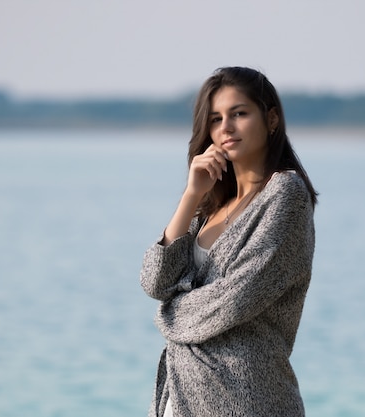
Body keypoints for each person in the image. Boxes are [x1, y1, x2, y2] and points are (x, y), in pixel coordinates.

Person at [140, 66, 318, 417]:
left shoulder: (285, 194)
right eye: (216, 118)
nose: (226, 128)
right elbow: (155, 282)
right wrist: (192, 195)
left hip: (249, 399)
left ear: (271, 119)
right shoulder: (211, 203)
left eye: (239, 113)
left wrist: (170, 313)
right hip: (181, 398)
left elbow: (236, 299)